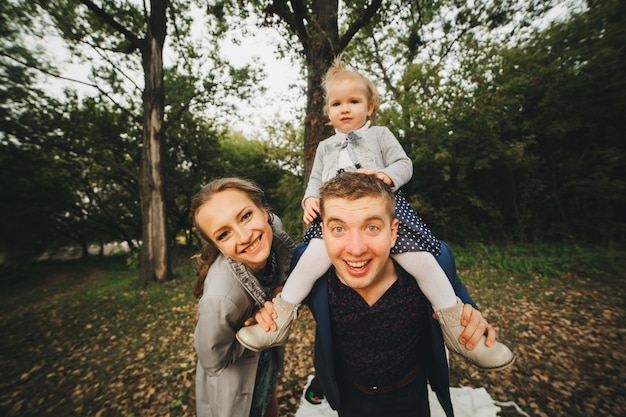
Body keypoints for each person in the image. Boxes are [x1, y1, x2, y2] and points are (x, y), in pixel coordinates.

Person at [236, 55, 514, 370]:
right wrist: (309, 199)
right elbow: (314, 181)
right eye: (336, 103)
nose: (344, 108)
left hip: (382, 213)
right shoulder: (326, 147)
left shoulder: (380, 135)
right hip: (336, 219)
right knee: (310, 261)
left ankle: (457, 327)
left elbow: (404, 164)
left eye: (353, 101)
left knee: (423, 260)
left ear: (370, 107)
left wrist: (388, 176)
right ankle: (280, 319)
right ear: (328, 111)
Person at [258, 172, 508, 417]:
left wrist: (474, 323)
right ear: (322, 233)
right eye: (338, 229)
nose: (356, 249)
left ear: (393, 231)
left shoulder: (433, 264)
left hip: (410, 395)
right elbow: (273, 277)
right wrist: (264, 310)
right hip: (348, 396)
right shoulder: (311, 271)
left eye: (372, 227)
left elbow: (461, 304)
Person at [190, 178, 296, 417]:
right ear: (217, 245)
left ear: (263, 210)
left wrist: (280, 289)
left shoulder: (271, 232)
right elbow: (212, 360)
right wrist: (252, 333)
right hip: (238, 379)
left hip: (265, 362)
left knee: (270, 397)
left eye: (246, 216)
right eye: (225, 234)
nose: (245, 236)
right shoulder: (221, 298)